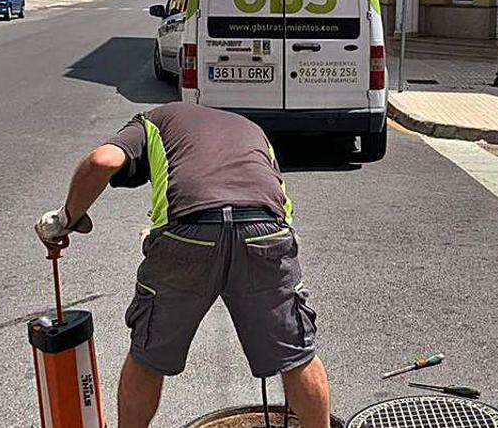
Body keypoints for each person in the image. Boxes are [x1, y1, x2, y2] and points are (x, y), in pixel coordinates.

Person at [35, 102, 331, 428]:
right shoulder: (251, 130)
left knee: (148, 356)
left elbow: (103, 161)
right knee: (297, 354)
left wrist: (67, 218)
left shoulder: (150, 122)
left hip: (188, 235)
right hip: (264, 232)